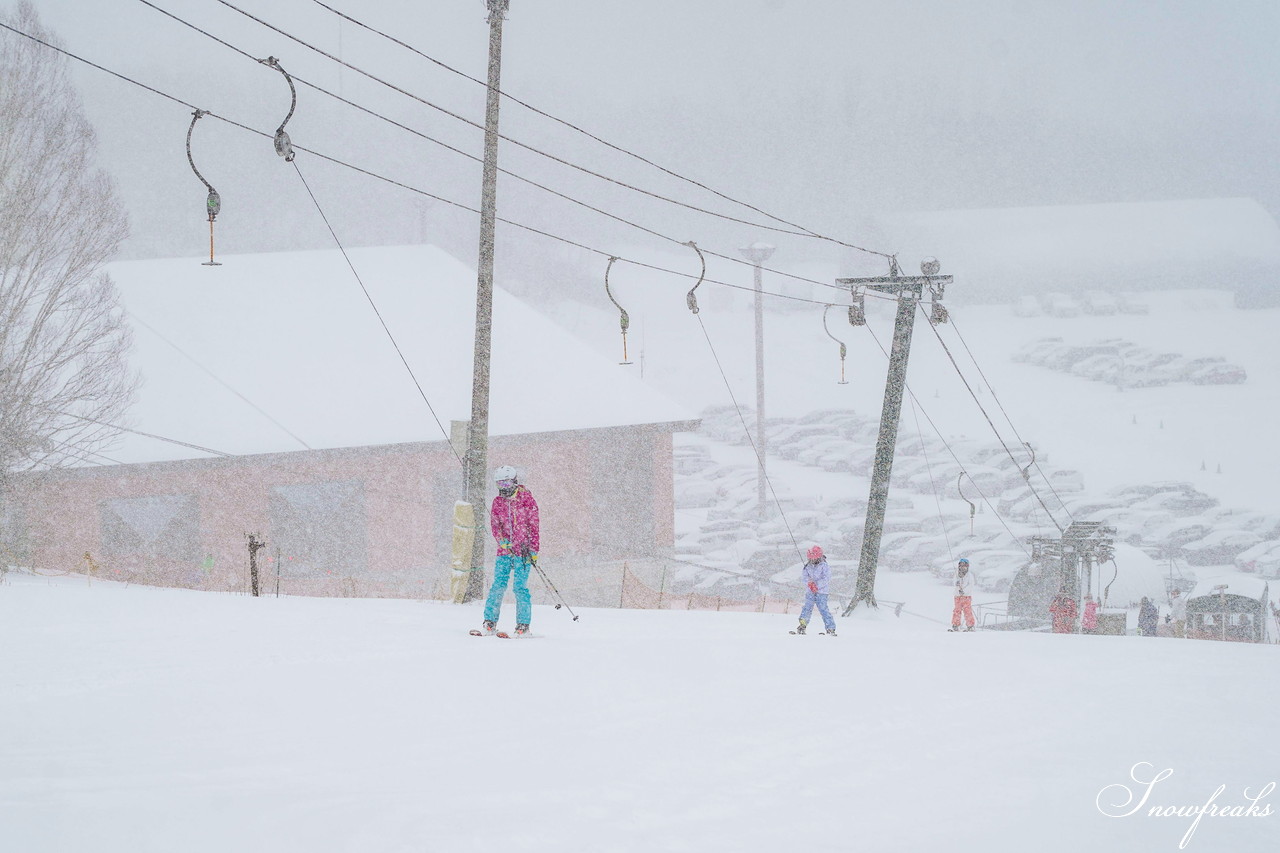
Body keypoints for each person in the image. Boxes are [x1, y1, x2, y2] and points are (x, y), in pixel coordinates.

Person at [479, 465, 539, 636]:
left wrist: (534, 549)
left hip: (524, 551)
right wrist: (501, 540)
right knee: (498, 585)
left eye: (506, 484)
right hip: (504, 552)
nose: (503, 488)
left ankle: (523, 626)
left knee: (520, 587)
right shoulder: (498, 502)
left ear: (514, 481)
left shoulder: (526, 499)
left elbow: (534, 525)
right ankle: (489, 622)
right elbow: (495, 524)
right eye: (499, 485)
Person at [795, 545, 837, 636]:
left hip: (822, 592)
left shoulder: (824, 565)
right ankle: (803, 624)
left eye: (814, 559)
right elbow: (804, 577)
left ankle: (830, 627)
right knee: (807, 607)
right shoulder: (807, 566)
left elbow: (827, 578)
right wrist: (809, 583)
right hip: (810, 591)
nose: (812, 561)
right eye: (810, 559)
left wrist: (817, 586)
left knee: (823, 609)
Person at [949, 557, 976, 632]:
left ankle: (970, 625)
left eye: (964, 565)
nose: (962, 567)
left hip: (966, 597)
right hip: (957, 596)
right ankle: (956, 625)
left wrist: (964, 591)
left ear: (967, 566)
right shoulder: (957, 574)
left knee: (967, 611)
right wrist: (957, 585)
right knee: (957, 610)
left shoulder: (970, 576)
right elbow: (954, 583)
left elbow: (971, 586)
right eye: (961, 565)